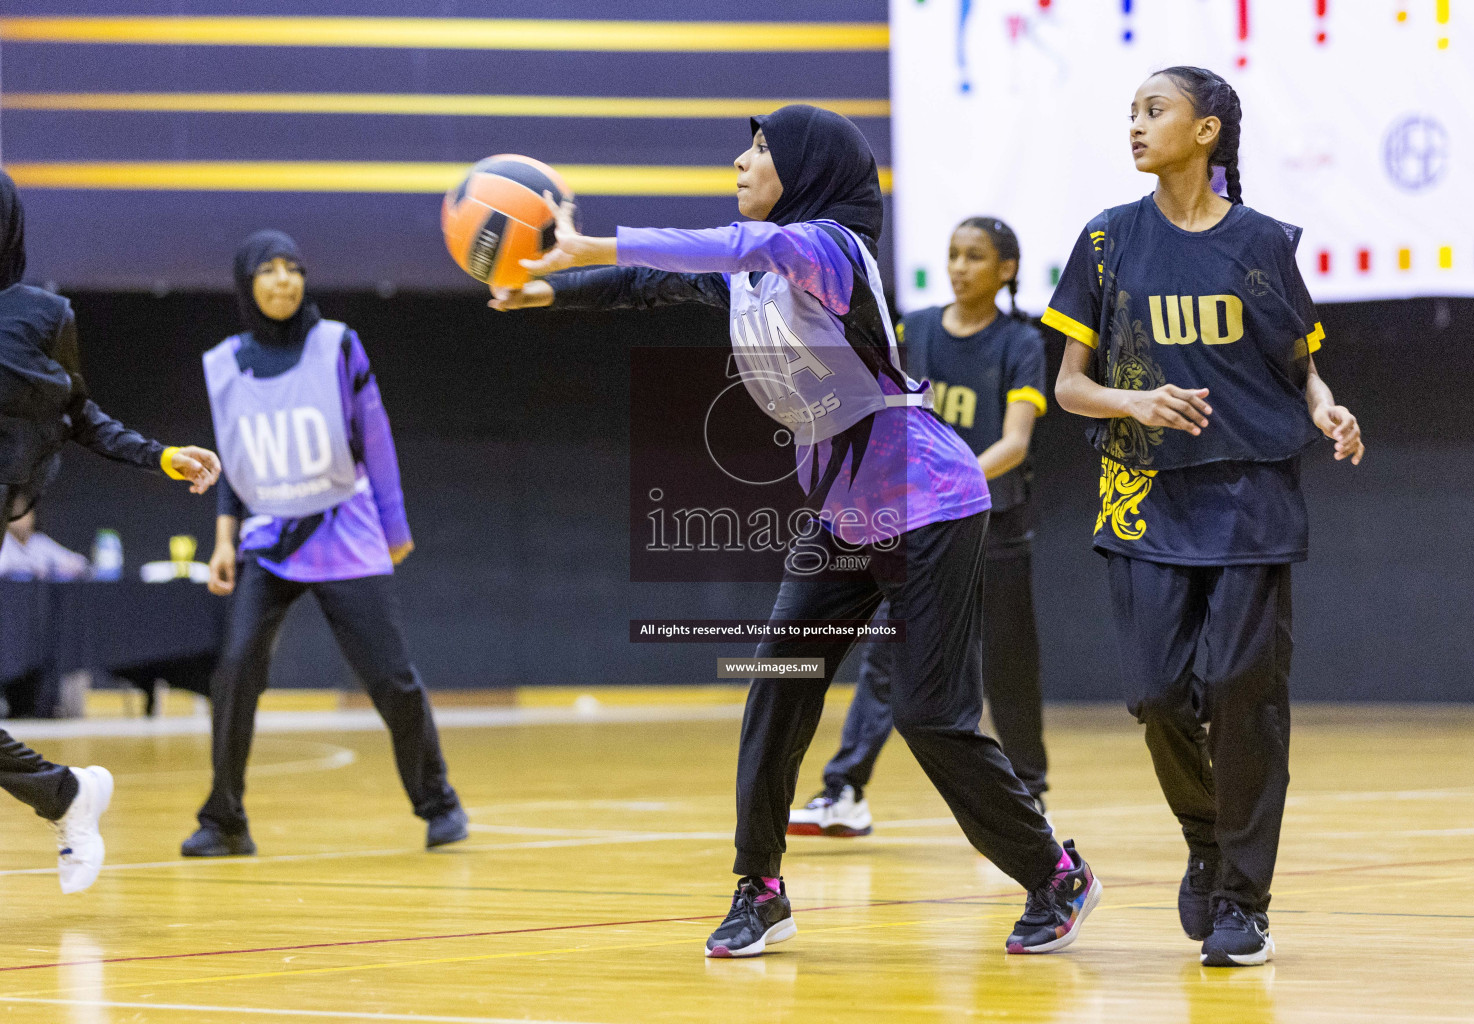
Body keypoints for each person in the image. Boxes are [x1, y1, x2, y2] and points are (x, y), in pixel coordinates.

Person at [493, 105, 1099, 958]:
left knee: (932, 718)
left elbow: (746, 247)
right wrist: (543, 285)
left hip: (929, 502)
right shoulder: (752, 274)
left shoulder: (827, 251)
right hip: (845, 514)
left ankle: (1055, 875)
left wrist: (595, 241)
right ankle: (760, 887)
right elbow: (651, 281)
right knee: (778, 684)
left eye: (761, 149)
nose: (740, 161)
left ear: (808, 170)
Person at [1045, 67, 1363, 967]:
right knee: (1154, 693)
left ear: (1209, 131)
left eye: (1156, 110)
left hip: (1249, 496)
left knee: (1243, 696)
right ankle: (1206, 835)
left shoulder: (1262, 244)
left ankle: (1244, 900)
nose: (1137, 126)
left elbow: (1300, 366)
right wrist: (1133, 404)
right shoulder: (1107, 241)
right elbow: (1069, 388)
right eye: (1132, 114)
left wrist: (1325, 409)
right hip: (1144, 498)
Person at [182, 230, 467, 857]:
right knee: (233, 673)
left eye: (294, 268)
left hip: (344, 528)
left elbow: (378, 439)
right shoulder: (224, 363)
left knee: (390, 679)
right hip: (269, 537)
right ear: (246, 283)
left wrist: (394, 531)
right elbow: (233, 462)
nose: (284, 280)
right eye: (269, 270)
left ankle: (438, 802)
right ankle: (225, 821)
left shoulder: (337, 344)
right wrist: (224, 542)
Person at [789, 216, 1052, 838]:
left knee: (1008, 665)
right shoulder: (920, 329)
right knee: (887, 654)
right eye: (953, 254)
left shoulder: (1020, 343)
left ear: (1006, 270)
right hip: (920, 527)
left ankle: (1030, 790)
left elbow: (1014, 443)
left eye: (976, 257)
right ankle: (845, 789)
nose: (961, 267)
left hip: (995, 523)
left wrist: (949, 484)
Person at [0, 168, 222, 893]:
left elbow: (78, 416)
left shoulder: (39, 317)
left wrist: (159, 455)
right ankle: (65, 794)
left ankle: (66, 794)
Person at [0, 509, 89, 580]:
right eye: (18, 516)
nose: (23, 520)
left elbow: (79, 562)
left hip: (37, 595)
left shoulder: (39, 541)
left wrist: (55, 568)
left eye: (26, 515)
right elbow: (3, 567)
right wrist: (34, 568)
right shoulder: (4, 539)